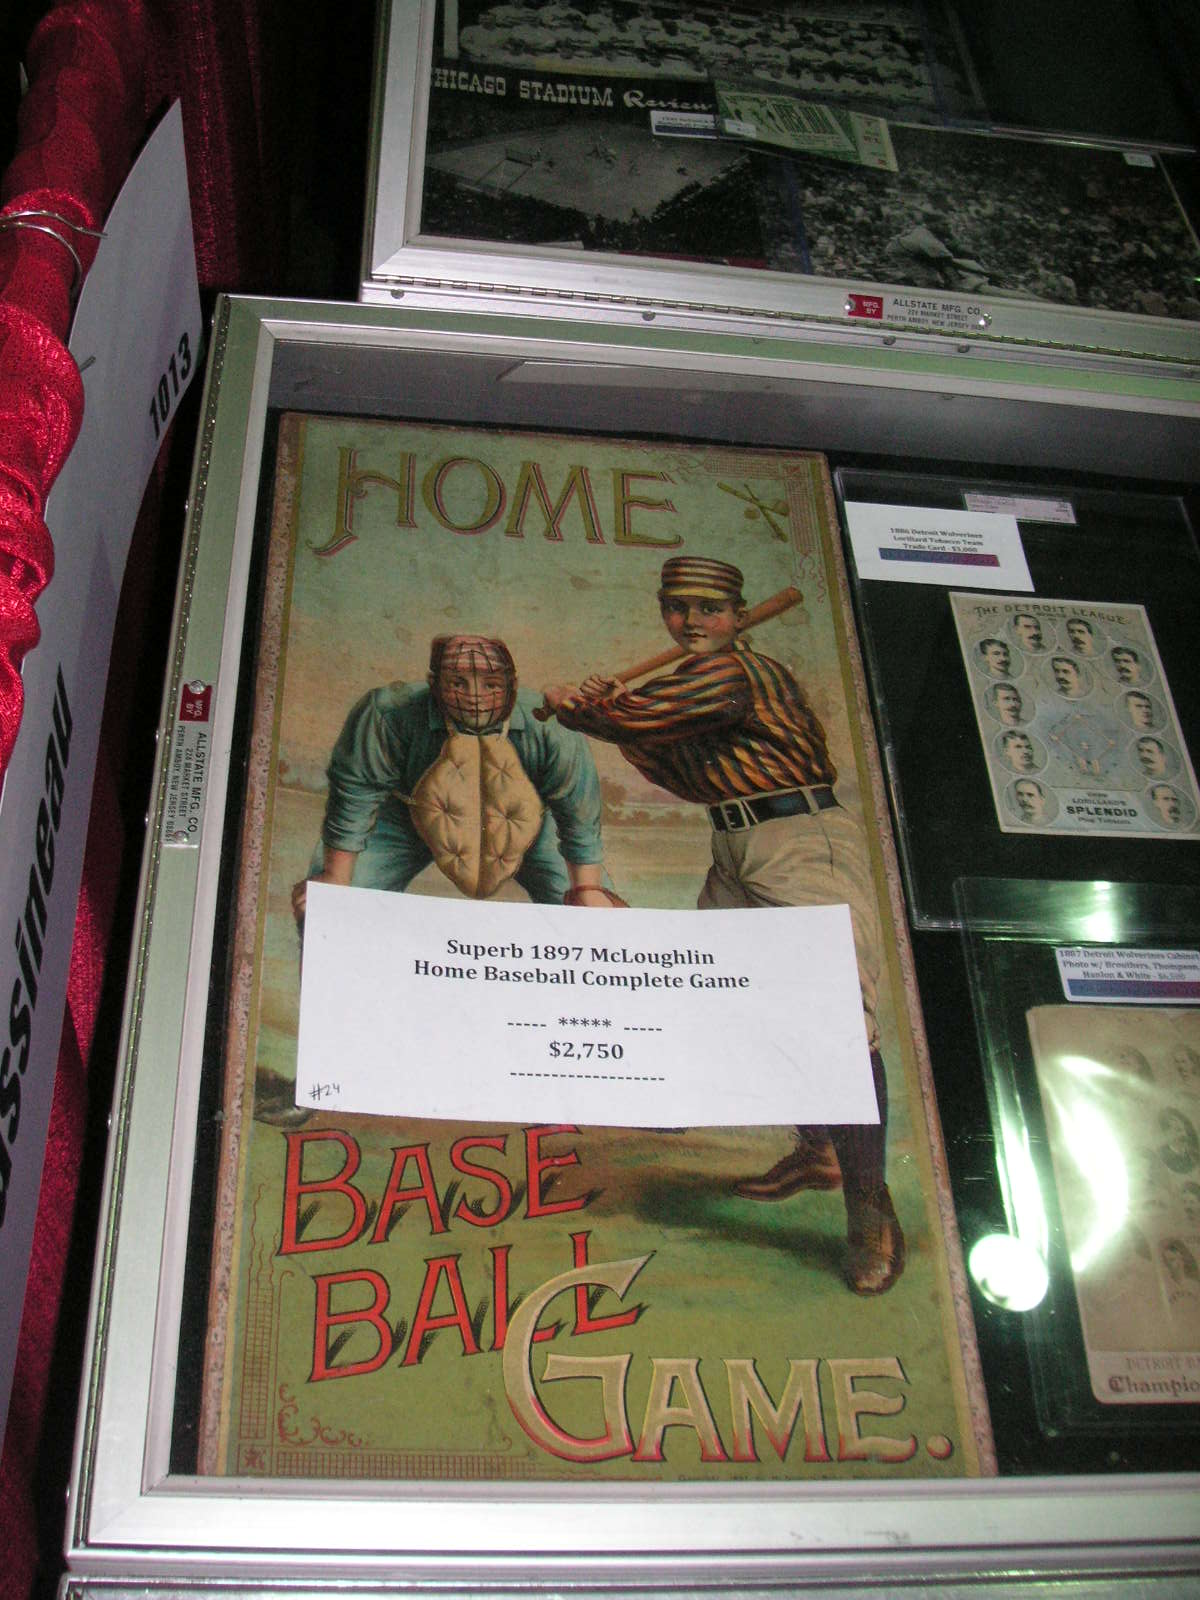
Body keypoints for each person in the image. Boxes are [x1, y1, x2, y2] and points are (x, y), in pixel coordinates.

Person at [544, 556, 903, 1295]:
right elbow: (675, 768)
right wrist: (614, 714)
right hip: (735, 843)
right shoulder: (695, 685)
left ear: (739, 617)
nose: (693, 621)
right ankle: (819, 1152)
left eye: (710, 608)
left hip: (803, 840)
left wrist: (590, 710)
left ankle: (872, 1210)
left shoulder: (738, 672)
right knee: (740, 998)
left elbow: (641, 720)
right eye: (678, 608)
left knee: (838, 1021)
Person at [293, 634, 619, 918]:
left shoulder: (553, 726)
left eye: (491, 684)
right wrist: (336, 877)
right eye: (458, 683)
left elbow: (577, 809)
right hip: (405, 819)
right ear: (434, 684)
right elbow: (357, 793)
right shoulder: (389, 713)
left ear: (513, 685)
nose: (475, 696)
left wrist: (587, 888)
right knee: (328, 907)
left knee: (593, 917)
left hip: (530, 826)